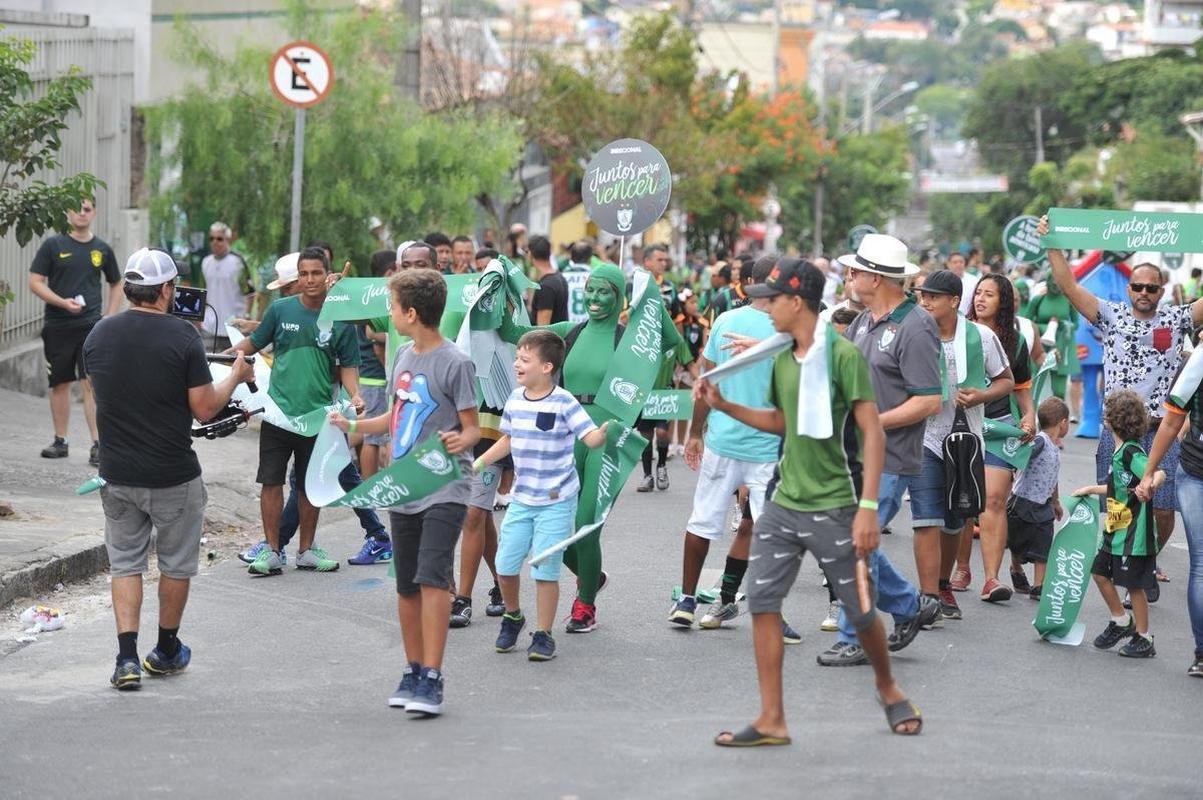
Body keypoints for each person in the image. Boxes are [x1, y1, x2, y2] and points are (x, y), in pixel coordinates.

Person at [699, 259, 922, 745]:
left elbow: (871, 431)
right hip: (783, 503)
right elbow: (785, 423)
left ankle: (887, 686)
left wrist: (867, 508)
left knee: (861, 612)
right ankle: (771, 718)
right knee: (761, 602)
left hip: (837, 505)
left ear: (796, 302)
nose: (763, 306)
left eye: (771, 298)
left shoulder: (842, 356)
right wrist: (727, 406)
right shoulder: (780, 357)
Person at [83, 247, 255, 689]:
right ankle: (165, 649)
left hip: (116, 474)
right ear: (165, 290)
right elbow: (203, 408)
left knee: (126, 565)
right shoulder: (182, 338)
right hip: (172, 474)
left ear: (129, 289)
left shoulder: (99, 334)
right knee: (176, 565)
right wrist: (235, 375)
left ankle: (125, 659)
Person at [500, 262, 682, 632]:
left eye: (606, 291)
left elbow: (673, 343)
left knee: (586, 525)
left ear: (620, 297)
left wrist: (652, 300)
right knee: (555, 529)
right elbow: (515, 332)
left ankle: (585, 605)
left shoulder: (631, 339)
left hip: (608, 441)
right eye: (592, 290)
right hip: (567, 438)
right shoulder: (571, 331)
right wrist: (497, 290)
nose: (596, 298)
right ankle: (590, 576)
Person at [330, 269, 479, 715]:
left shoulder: (456, 361)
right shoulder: (402, 358)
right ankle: (412, 668)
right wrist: (352, 425)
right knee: (406, 584)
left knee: (433, 577)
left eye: (392, 307)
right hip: (405, 487)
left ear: (411, 313)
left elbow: (472, 427)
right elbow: (394, 420)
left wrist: (464, 439)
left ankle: (433, 676)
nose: (389, 314)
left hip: (444, 485)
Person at [1040, 214, 1203, 580]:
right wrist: (1051, 242)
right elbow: (1067, 284)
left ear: (1161, 291)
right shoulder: (1109, 314)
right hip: (1117, 433)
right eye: (1138, 286)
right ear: (1128, 289)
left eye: (1151, 288)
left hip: (1160, 430)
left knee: (1163, 511)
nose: (1144, 292)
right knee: (1119, 506)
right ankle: (1127, 563)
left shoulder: (1177, 319)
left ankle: (1144, 560)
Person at [821, 234, 942, 666]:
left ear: (876, 276)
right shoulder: (862, 321)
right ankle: (911, 605)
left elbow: (929, 399)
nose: (848, 276)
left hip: (890, 456)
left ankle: (857, 635)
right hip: (854, 454)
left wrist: (872, 421)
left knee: (855, 544)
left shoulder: (916, 325)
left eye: (854, 270)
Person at [475, 330, 609, 660]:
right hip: (522, 500)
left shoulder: (564, 401)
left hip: (556, 501)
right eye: (517, 357)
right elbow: (507, 439)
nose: (517, 363)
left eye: (524, 359)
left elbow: (589, 437)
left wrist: (605, 433)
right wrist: (480, 462)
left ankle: (544, 634)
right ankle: (513, 616)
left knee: (545, 570)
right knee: (505, 567)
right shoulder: (515, 399)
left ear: (547, 366)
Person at [230, 247, 362, 576]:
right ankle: (273, 552)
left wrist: (356, 395)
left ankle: (306, 550)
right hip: (278, 412)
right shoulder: (281, 310)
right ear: (298, 277)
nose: (310, 279)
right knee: (271, 482)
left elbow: (348, 367)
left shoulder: (342, 319)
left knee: (308, 485)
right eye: (304, 274)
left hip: (319, 416)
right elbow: (253, 344)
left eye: (317, 273)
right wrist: (220, 357)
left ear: (327, 274)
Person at [672, 256, 780, 631]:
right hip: (770, 446)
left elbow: (706, 382)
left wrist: (695, 433)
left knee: (702, 520)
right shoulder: (792, 329)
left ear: (750, 284)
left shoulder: (726, 321)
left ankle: (686, 600)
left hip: (723, 439)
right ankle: (771, 615)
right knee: (770, 532)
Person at [914, 270, 1014, 621]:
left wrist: (982, 395)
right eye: (922, 296)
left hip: (966, 441)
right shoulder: (914, 332)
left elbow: (1007, 381)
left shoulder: (982, 337)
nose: (924, 302)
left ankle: (942, 585)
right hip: (923, 437)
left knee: (955, 518)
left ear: (954, 301)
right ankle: (928, 595)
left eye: (933, 297)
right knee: (926, 516)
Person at [955, 274, 1039, 603]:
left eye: (989, 294)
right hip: (962, 425)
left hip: (1000, 427)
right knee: (964, 504)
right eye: (978, 293)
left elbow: (1022, 389)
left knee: (993, 502)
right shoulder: (958, 332)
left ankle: (992, 579)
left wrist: (1029, 416)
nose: (981, 299)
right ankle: (962, 568)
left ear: (1002, 301)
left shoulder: (1016, 341)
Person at [27, 196, 122, 465]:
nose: (81, 213)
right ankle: (61, 440)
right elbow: (35, 282)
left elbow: (116, 283)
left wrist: (109, 317)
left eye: (87, 209)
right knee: (59, 383)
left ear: (94, 212)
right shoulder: (53, 245)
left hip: (92, 328)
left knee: (91, 383)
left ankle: (98, 444)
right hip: (58, 325)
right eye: (77, 208)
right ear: (67, 212)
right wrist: (61, 302)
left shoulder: (102, 249)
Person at [1074, 390, 1164, 659]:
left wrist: (1150, 483)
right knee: (1099, 572)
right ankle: (1121, 620)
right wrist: (1090, 488)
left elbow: (1157, 471)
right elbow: (1118, 487)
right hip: (1116, 530)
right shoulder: (1120, 450)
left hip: (1135, 535)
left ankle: (1144, 638)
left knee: (1134, 585)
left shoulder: (1132, 452)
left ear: (1111, 420)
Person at [1138, 345, 1203, 676]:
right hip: (1194, 471)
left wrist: (1149, 470)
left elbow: (1172, 419)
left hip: (1195, 469)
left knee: (1202, 566)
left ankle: (1202, 655)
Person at [1007, 397, 1069, 600]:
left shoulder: (1053, 446)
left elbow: (1053, 477)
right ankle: (1016, 568)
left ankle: (1039, 585)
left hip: (1043, 504)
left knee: (1043, 544)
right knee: (1017, 542)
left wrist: (1055, 501)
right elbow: (1022, 454)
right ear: (1063, 423)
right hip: (1023, 500)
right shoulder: (1040, 441)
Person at [199, 222, 253, 352]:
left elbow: (250, 294)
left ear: (227, 240)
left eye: (219, 238)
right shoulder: (205, 262)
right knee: (210, 366)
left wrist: (246, 316)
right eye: (212, 238)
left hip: (233, 327)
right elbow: (203, 292)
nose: (215, 242)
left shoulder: (238, 262)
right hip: (209, 327)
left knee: (233, 367)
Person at [529, 234, 569, 325]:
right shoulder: (559, 277)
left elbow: (543, 330)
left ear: (530, 254)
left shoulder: (546, 287)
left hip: (549, 339)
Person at [945, 251, 978, 317]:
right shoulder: (943, 281)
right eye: (955, 262)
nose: (958, 265)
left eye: (961, 262)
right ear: (948, 264)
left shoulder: (974, 281)